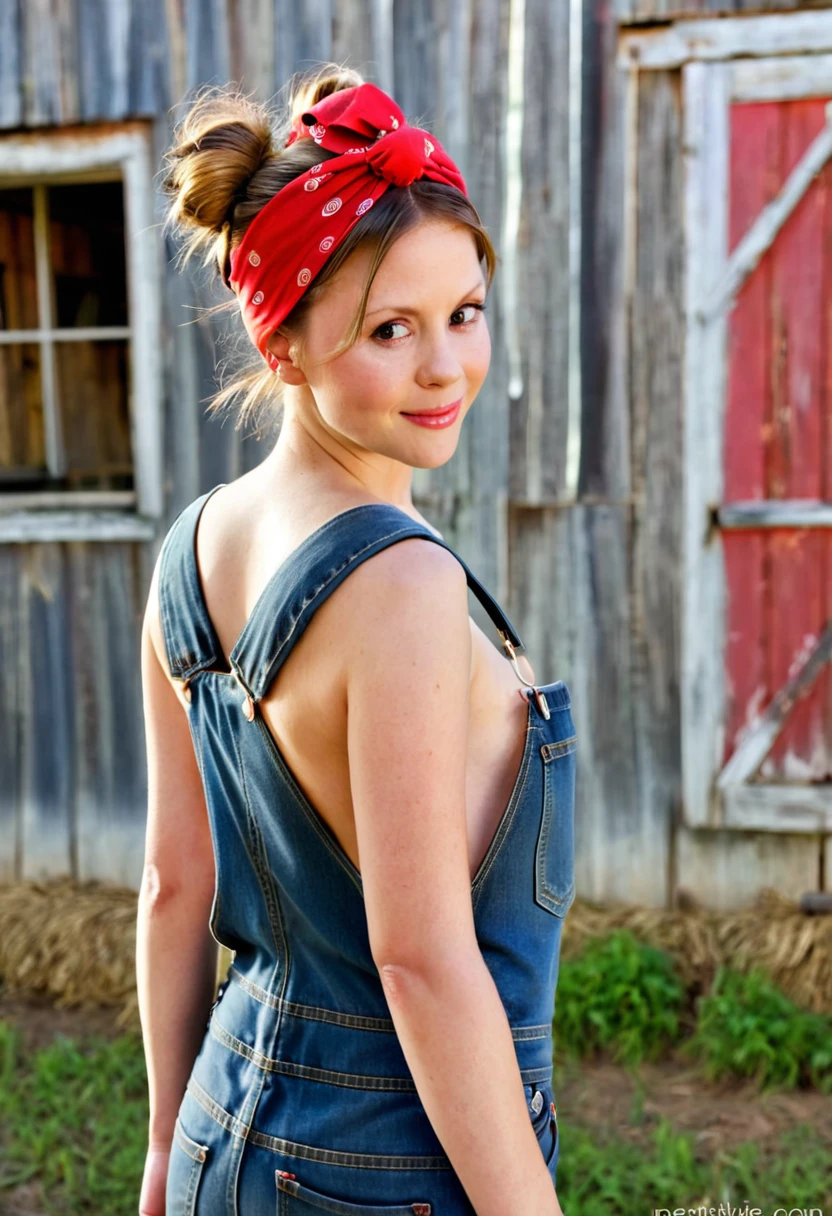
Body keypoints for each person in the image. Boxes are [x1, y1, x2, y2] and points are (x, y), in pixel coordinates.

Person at [136, 63, 576, 1216]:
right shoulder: (402, 583)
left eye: (463, 312)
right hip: (385, 1167)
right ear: (278, 342)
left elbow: (173, 886)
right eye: (390, 328)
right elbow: (420, 960)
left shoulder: (190, 549)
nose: (444, 367)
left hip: (217, 1131)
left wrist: (159, 1147)